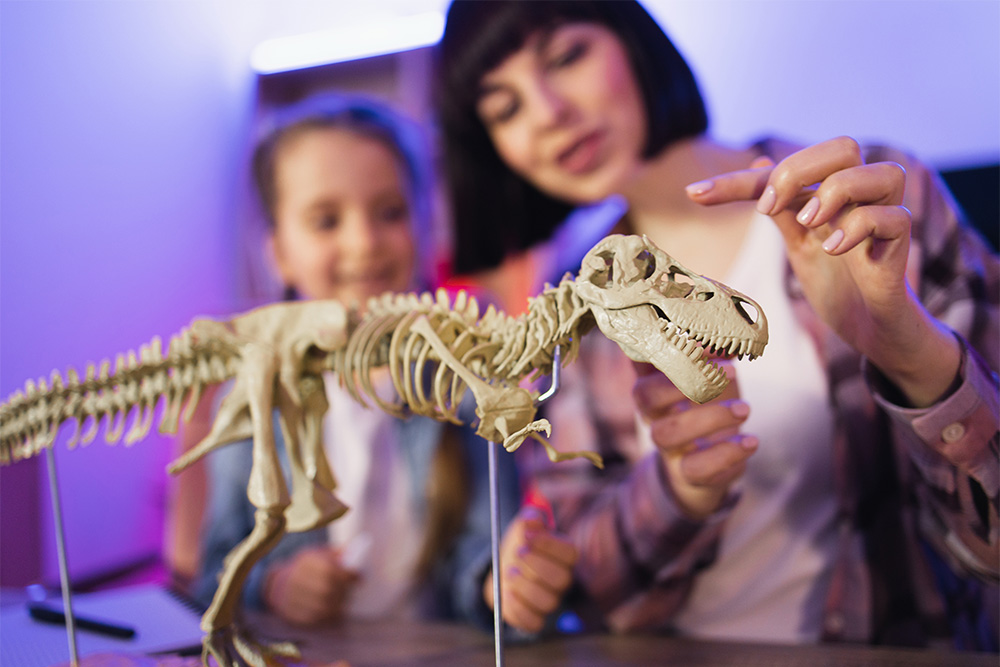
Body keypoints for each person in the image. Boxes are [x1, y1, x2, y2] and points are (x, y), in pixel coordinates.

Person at [433, 0, 999, 650]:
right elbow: (594, 574)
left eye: (566, 58)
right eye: (506, 109)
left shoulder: (876, 203)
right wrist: (679, 488)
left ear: (632, 42)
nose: (548, 114)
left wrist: (912, 355)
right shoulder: (578, 298)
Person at [192, 93, 520, 627]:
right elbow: (213, 573)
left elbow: (487, 557)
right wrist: (274, 585)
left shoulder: (471, 382)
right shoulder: (252, 398)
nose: (364, 243)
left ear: (425, 224)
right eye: (325, 221)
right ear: (278, 252)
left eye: (390, 212)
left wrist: (502, 584)